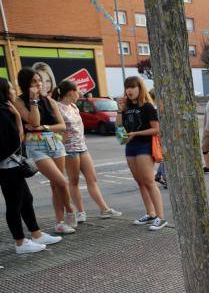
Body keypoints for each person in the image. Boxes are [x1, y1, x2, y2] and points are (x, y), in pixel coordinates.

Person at [0, 78, 62, 253]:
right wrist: (19, 119)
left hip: (12, 166)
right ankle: (20, 243)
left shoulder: (6, 109)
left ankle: (36, 234)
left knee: (26, 200)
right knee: (15, 204)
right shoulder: (3, 112)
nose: (13, 91)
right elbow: (16, 140)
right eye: (10, 89)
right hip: (8, 167)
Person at [13, 67, 76, 234]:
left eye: (39, 81)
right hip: (36, 146)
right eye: (34, 81)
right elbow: (33, 122)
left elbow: (62, 126)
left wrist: (45, 127)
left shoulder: (50, 101)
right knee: (62, 181)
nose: (39, 84)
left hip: (54, 143)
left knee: (56, 186)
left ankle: (60, 223)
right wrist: (33, 101)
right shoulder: (19, 101)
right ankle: (70, 210)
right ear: (25, 83)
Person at [53, 80, 122, 221]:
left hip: (82, 146)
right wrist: (61, 137)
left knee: (92, 178)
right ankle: (80, 212)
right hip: (69, 149)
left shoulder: (74, 106)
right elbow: (56, 127)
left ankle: (105, 209)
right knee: (74, 181)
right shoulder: (58, 107)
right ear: (71, 92)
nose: (79, 94)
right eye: (78, 91)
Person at [116, 76, 167, 230]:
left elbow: (156, 129)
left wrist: (136, 134)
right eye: (127, 87)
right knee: (140, 182)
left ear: (140, 88)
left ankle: (161, 217)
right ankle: (150, 213)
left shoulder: (147, 107)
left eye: (132, 87)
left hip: (144, 146)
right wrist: (120, 109)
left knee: (149, 181)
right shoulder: (125, 107)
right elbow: (118, 126)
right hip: (130, 147)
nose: (129, 90)